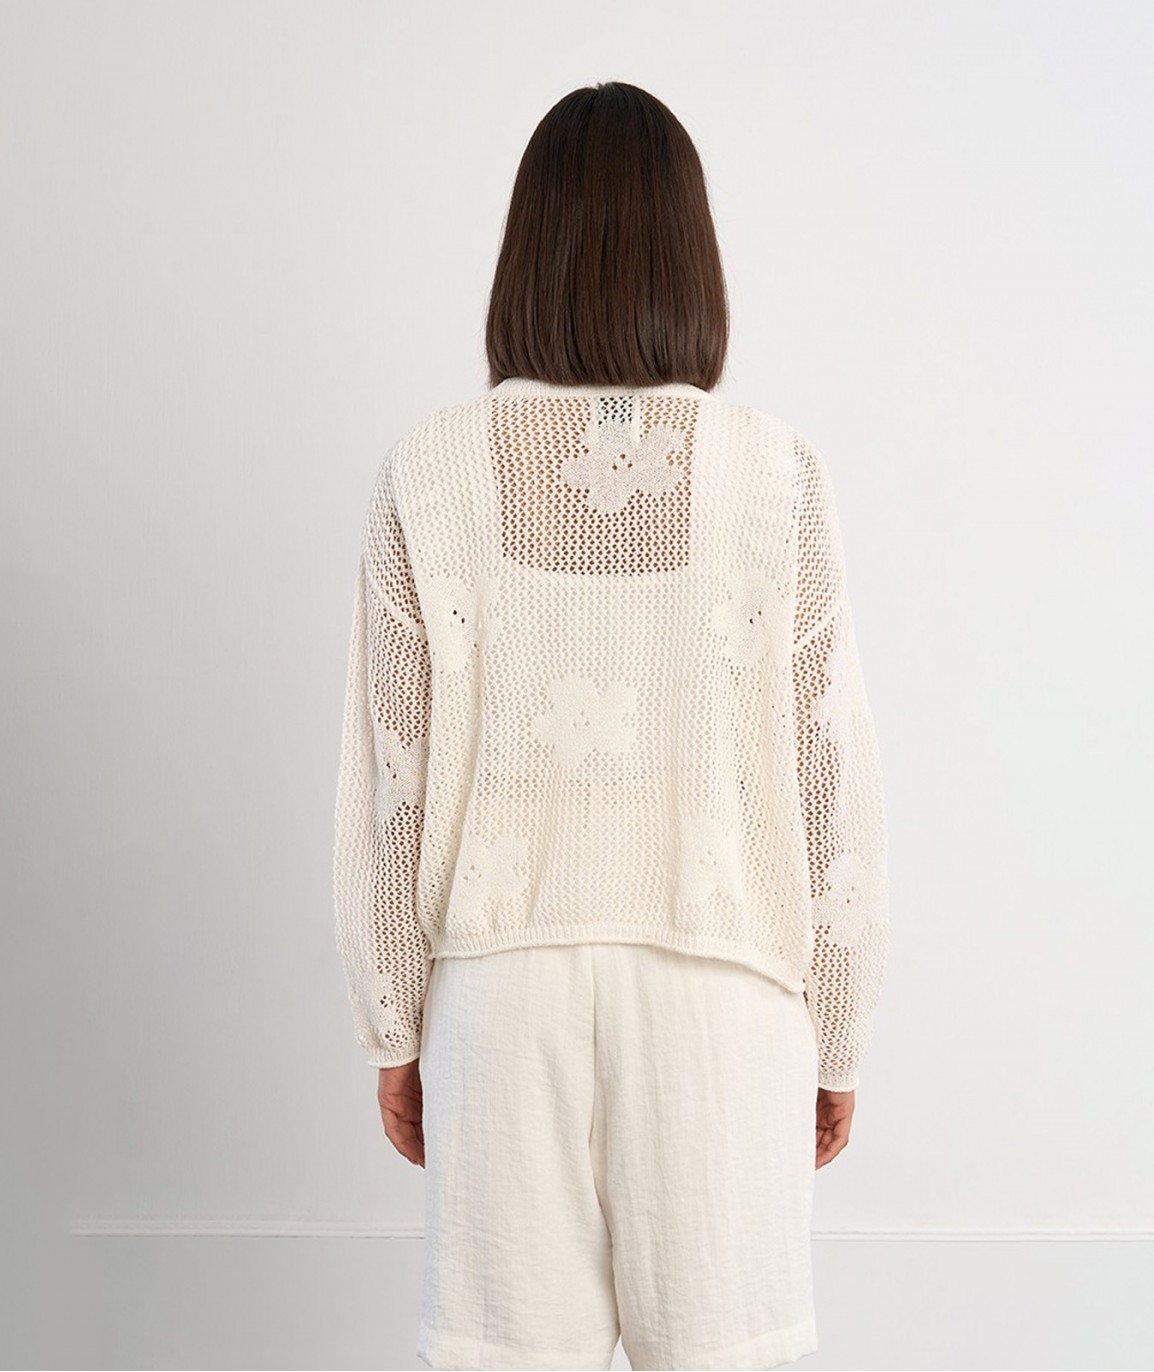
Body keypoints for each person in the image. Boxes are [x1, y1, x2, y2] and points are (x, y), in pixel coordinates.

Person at [333, 80, 889, 1372]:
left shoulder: (428, 470)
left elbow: (390, 778)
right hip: (724, 998)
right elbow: (831, 771)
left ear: (524, 254)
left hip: (501, 996)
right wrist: (841, 1028)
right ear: (694, 257)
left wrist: (395, 1026)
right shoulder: (777, 473)